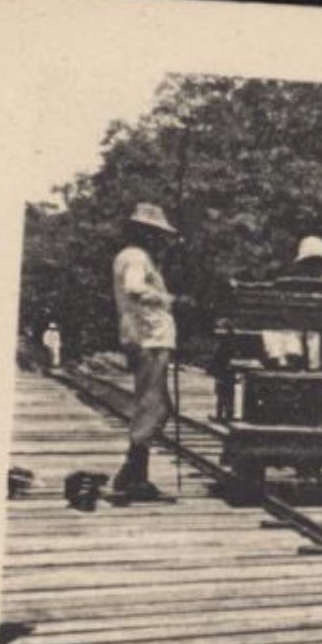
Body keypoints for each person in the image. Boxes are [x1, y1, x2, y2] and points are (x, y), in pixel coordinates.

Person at [110, 202, 180, 501]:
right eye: (154, 234)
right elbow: (134, 288)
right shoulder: (137, 258)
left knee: (158, 404)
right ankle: (135, 476)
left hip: (148, 335)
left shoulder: (132, 256)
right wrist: (165, 298)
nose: (159, 240)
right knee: (152, 403)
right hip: (149, 336)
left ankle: (132, 470)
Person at [263, 235, 322, 369]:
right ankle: (294, 357)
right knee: (294, 327)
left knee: (282, 326)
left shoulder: (296, 283)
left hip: (312, 327)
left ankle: (285, 357)